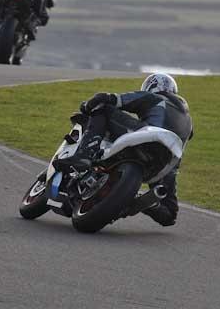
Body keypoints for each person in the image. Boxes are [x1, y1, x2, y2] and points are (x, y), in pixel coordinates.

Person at [63, 72, 193, 227]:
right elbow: (169, 219)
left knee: (103, 107)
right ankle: (146, 203)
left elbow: (111, 99)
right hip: (166, 163)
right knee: (169, 213)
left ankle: (84, 155)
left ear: (151, 87)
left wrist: (88, 106)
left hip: (149, 137)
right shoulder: (189, 122)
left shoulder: (155, 98)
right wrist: (149, 200)